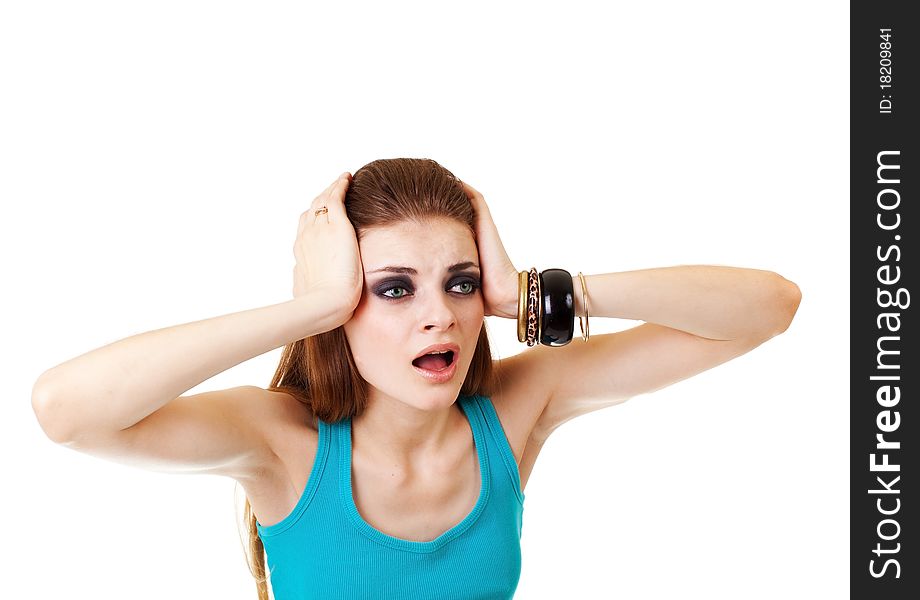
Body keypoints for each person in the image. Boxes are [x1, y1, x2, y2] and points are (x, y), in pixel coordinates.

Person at [31, 158, 802, 600]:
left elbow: (768, 308)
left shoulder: (515, 412)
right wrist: (314, 306)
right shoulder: (282, 444)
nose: (442, 316)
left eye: (460, 283)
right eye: (395, 288)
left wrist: (531, 291)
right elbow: (66, 410)